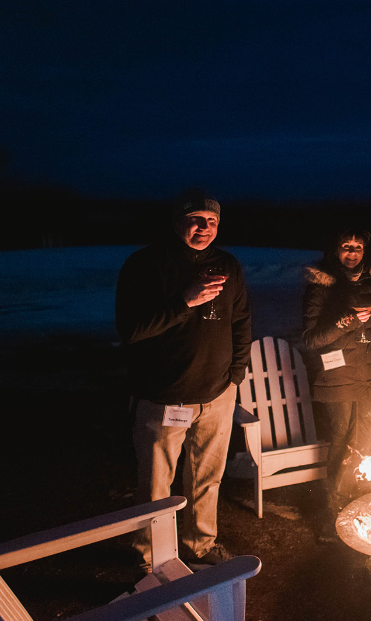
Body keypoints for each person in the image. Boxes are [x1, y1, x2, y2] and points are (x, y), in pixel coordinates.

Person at [116, 192, 252, 571]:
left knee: (207, 478)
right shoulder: (145, 264)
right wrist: (185, 302)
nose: (203, 227)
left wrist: (235, 375)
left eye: (211, 220)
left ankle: (200, 543)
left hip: (218, 394)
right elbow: (131, 329)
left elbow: (241, 321)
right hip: (164, 396)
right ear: (177, 222)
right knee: (157, 484)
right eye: (195, 218)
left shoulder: (228, 265)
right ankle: (150, 553)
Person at [301, 227, 371, 540]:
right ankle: (335, 510)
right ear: (335, 250)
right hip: (337, 379)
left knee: (366, 442)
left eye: (358, 247)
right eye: (346, 246)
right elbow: (312, 339)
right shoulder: (321, 286)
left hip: (368, 378)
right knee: (341, 440)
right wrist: (349, 321)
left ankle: (355, 505)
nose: (352, 253)